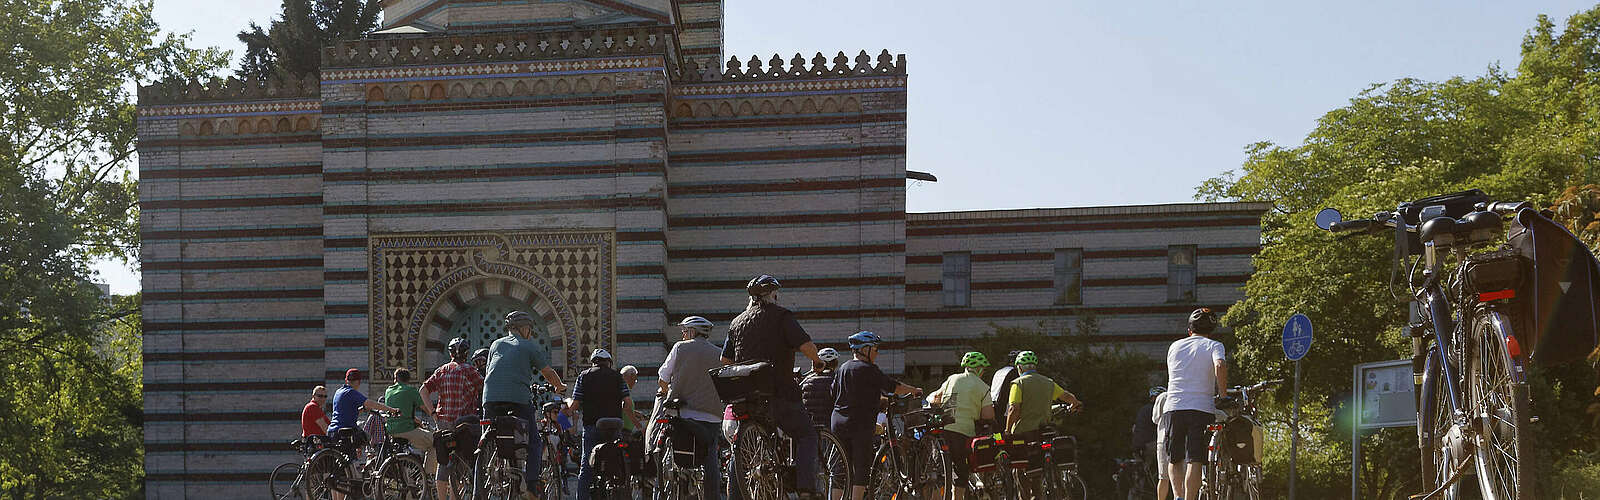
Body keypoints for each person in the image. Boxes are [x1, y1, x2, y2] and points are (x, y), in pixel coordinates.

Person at [721, 275, 828, 499]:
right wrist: (818, 361)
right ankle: (806, 489)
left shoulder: (736, 323)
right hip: (779, 393)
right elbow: (806, 346)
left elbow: (726, 362)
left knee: (741, 442)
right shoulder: (782, 317)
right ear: (773, 295)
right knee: (806, 434)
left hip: (747, 398)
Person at [483, 310, 568, 499]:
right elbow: (548, 373)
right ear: (523, 329)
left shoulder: (495, 344)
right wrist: (559, 386)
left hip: (489, 398)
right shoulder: (529, 346)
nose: (530, 332)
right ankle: (531, 487)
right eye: (529, 328)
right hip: (518, 399)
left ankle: (477, 490)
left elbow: (490, 370)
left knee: (487, 440)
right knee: (534, 442)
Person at [831, 331, 921, 500]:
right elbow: (893, 386)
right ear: (865, 350)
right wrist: (914, 390)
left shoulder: (843, 368)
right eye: (875, 349)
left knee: (840, 468)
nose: (877, 353)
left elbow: (834, 392)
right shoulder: (869, 369)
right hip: (859, 424)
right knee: (861, 467)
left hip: (838, 422)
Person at [656, 315, 727, 500]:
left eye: (684, 330)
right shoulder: (718, 353)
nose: (682, 334)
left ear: (692, 331)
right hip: (711, 416)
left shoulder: (680, 347)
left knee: (671, 446)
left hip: (683, 414)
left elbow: (663, 377)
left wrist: (666, 391)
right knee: (710, 454)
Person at [1164, 308, 1227, 500]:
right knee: (1195, 457)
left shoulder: (1174, 346)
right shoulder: (1214, 345)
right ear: (1211, 330)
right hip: (1200, 407)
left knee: (1174, 457)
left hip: (1173, 406)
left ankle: (1178, 497)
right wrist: (1222, 395)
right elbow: (1220, 365)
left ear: (1189, 329)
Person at [423, 337, 484, 500]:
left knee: (443, 461)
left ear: (450, 353)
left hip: (443, 421)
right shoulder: (470, 370)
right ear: (466, 353)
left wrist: (433, 412)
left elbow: (423, 390)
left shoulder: (441, 370)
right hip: (463, 423)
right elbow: (484, 388)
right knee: (464, 459)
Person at [928, 352, 994, 500]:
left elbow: (936, 398)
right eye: (983, 369)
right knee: (961, 471)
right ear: (978, 369)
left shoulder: (952, 379)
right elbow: (988, 416)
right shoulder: (982, 386)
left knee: (938, 472)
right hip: (964, 433)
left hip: (943, 430)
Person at [326, 368, 398, 500]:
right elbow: (370, 403)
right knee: (365, 437)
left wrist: (361, 409)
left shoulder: (339, 392)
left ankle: (358, 464)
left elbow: (346, 412)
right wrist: (390, 409)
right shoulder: (352, 392)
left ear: (346, 379)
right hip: (345, 433)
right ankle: (364, 462)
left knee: (338, 472)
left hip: (332, 432)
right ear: (358, 382)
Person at [572, 348, 632, 500]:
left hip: (593, 425)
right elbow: (628, 401)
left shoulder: (583, 376)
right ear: (609, 362)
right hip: (615, 425)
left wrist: (564, 414)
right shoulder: (617, 377)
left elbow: (576, 403)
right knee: (619, 460)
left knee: (586, 465)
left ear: (593, 362)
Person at [1004, 350, 1083, 435]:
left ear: (1019, 367)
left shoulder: (1018, 383)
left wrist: (1007, 431)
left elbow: (1014, 409)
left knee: (1002, 441)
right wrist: (1075, 403)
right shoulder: (1049, 382)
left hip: (1022, 432)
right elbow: (1067, 396)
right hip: (1044, 431)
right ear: (1035, 367)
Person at [385, 368, 438, 488]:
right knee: (435, 442)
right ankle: (428, 477)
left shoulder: (388, 391)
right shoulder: (411, 390)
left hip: (391, 431)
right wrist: (435, 415)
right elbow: (424, 407)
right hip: (407, 430)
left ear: (395, 379)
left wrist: (417, 422)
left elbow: (403, 413)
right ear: (408, 380)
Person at [800, 347, 841, 429]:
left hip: (810, 425)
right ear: (835, 363)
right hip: (831, 425)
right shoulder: (838, 380)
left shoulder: (807, 380)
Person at [1151, 386, 1174, 500]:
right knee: (1181, 476)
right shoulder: (1184, 396)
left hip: (1163, 438)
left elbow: (1155, 419)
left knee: (1163, 477)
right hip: (1181, 438)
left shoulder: (1162, 397)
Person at [988, 350, 1023, 419]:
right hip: (1005, 412)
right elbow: (1005, 392)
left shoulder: (999, 371)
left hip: (993, 406)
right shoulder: (1014, 373)